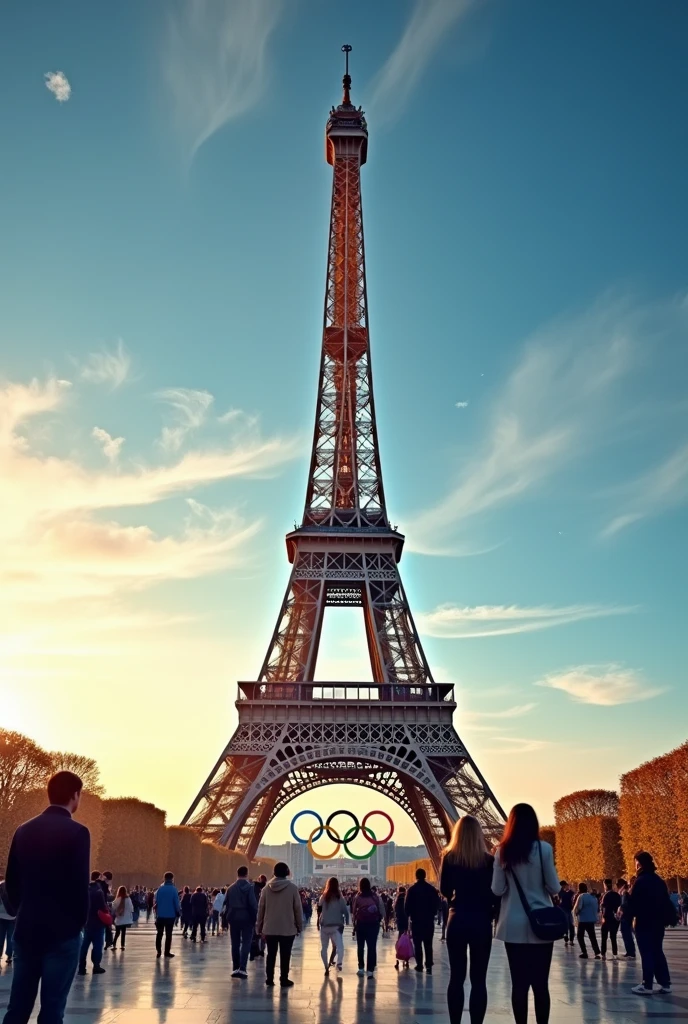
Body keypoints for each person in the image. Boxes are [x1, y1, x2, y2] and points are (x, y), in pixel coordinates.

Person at [2, 770, 89, 1024]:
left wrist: (23, 912)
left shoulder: (23, 829)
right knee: (52, 1009)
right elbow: (79, 885)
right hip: (62, 932)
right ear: (75, 795)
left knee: (17, 1007)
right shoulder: (78, 832)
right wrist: (77, 925)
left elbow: (11, 882)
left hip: (28, 928)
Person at [492, 803, 560, 1024]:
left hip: (513, 925)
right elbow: (554, 887)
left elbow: (497, 889)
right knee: (541, 985)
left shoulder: (502, 851)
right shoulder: (544, 849)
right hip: (542, 924)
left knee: (518, 985)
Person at [440, 814, 497, 1024]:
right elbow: (496, 892)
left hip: (458, 918)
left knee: (456, 978)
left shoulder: (449, 857)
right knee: (479, 980)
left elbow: (444, 889)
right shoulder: (489, 861)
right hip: (481, 920)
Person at [627, 850, 672, 995]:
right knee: (657, 951)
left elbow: (634, 903)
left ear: (639, 864)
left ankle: (647, 984)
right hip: (658, 922)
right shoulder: (659, 880)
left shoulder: (640, 881)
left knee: (646, 952)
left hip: (644, 921)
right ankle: (665, 983)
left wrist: (626, 913)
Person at [256, 862, 303, 988]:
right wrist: (299, 925)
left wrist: (259, 926)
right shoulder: (292, 888)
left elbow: (261, 908)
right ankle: (284, 978)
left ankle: (269, 978)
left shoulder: (266, 888)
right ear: (287, 872)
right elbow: (297, 908)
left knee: (270, 954)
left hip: (269, 927)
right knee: (285, 954)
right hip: (287, 927)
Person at [224, 866, 258, 979]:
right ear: (247, 874)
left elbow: (226, 905)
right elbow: (253, 905)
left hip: (233, 918)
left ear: (237, 874)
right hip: (247, 918)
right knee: (246, 943)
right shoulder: (250, 888)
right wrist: (255, 919)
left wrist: (226, 918)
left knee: (235, 943)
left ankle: (235, 968)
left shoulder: (230, 889)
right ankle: (243, 968)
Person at [404, 867, 440, 974]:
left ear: (416, 876)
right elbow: (437, 904)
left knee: (417, 944)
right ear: (425, 876)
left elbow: (407, 907)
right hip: (428, 921)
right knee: (428, 944)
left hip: (416, 921)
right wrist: (433, 913)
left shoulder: (411, 890)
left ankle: (419, 964)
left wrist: (410, 915)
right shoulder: (432, 889)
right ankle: (428, 964)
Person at [352, 876, 384, 978]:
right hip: (373, 925)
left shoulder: (358, 897)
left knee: (360, 947)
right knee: (372, 947)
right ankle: (370, 970)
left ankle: (361, 968)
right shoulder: (376, 897)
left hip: (361, 924)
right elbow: (382, 911)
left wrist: (354, 925)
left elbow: (353, 913)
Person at [317, 876, 349, 974]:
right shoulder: (339, 897)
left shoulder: (324, 896)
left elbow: (319, 907)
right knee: (340, 946)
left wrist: (318, 923)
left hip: (325, 925)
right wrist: (347, 922)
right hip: (336, 926)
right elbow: (345, 911)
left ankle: (326, 966)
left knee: (324, 947)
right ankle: (339, 963)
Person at [78, 872, 108, 976]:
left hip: (86, 922)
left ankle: (81, 967)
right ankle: (96, 966)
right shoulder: (99, 891)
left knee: (84, 946)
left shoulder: (84, 890)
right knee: (97, 946)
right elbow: (103, 907)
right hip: (97, 922)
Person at [154, 872, 181, 958]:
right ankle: (166, 952)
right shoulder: (174, 889)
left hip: (160, 915)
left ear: (164, 878)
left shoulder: (160, 889)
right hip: (170, 915)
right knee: (168, 935)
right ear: (172, 879)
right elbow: (176, 903)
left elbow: (156, 902)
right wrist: (178, 912)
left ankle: (158, 951)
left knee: (159, 934)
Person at [573, 884, 601, 959]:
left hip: (583, 920)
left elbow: (579, 907)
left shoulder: (581, 896)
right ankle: (597, 952)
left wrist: (576, 913)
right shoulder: (593, 897)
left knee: (580, 936)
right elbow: (597, 908)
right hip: (591, 919)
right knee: (592, 936)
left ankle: (584, 952)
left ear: (579, 889)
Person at [600, 878, 621, 959]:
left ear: (605, 885)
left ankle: (603, 953)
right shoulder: (617, 895)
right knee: (613, 937)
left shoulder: (605, 895)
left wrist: (602, 917)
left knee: (604, 937)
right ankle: (615, 953)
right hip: (615, 918)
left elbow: (603, 907)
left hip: (607, 917)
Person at [617, 878, 636, 958]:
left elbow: (624, 904)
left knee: (626, 933)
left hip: (625, 915)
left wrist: (620, 910)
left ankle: (630, 951)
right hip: (629, 914)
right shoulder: (627, 893)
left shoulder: (624, 893)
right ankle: (631, 951)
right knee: (628, 932)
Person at [0, 879, 16, 964]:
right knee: (10, 937)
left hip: (1, 915)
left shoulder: (1, 885)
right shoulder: (15, 887)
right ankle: (9, 956)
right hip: (12, 916)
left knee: (0, 937)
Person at [394, 886, 410, 969]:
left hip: (400, 921)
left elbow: (395, 910)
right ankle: (406, 959)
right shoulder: (407, 899)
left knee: (400, 938)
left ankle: (398, 956)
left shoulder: (398, 900)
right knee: (406, 939)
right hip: (406, 922)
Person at [99, 872, 114, 950]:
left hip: (100, 907)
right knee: (107, 925)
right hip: (103, 907)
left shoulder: (100, 884)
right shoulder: (104, 885)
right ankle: (109, 941)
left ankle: (108, 941)